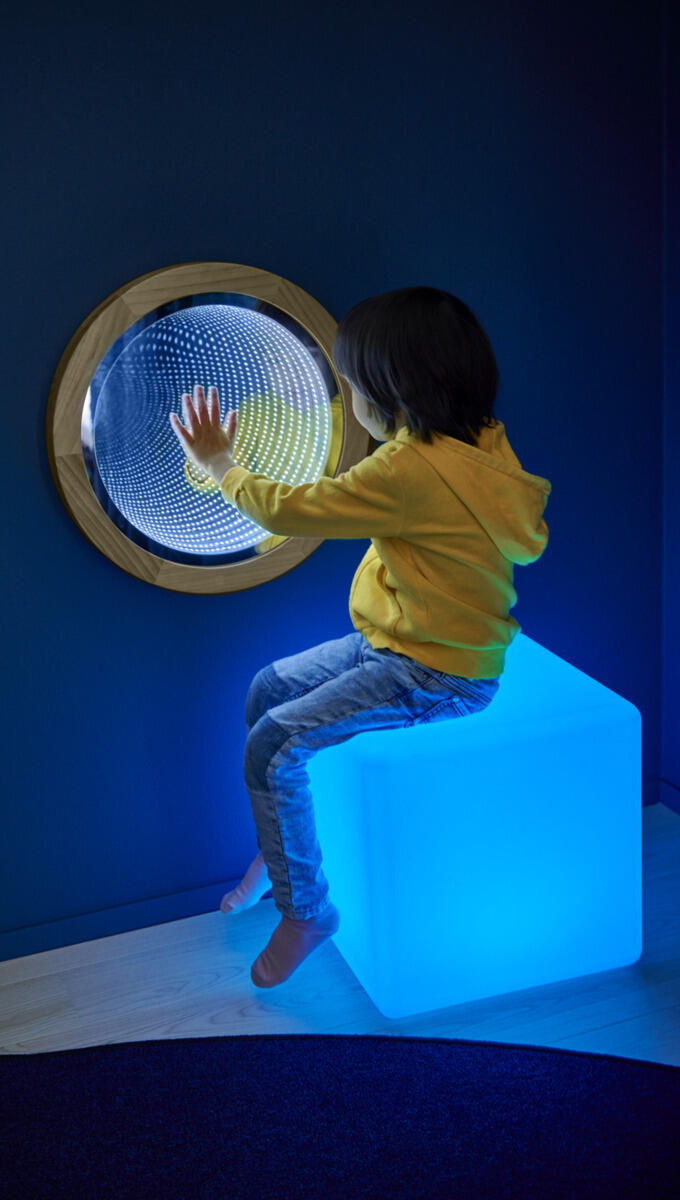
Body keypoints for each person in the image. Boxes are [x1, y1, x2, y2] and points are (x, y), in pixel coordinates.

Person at [168, 285, 552, 990]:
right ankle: (283, 852)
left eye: (350, 388)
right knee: (268, 688)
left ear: (391, 392)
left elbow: (290, 512)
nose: (348, 403)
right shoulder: (480, 444)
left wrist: (221, 462)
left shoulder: (407, 471)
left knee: (271, 744)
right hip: (405, 643)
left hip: (437, 674)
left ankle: (307, 912)